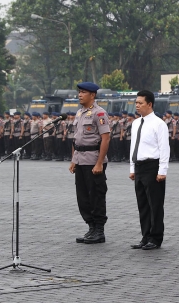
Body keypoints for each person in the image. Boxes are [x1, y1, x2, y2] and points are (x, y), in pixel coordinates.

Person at [69, 82, 111, 245]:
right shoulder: (79, 113)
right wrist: (73, 160)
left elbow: (105, 139)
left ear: (92, 95)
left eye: (83, 92)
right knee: (83, 197)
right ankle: (91, 227)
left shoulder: (99, 113)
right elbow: (75, 139)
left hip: (93, 160)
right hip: (80, 160)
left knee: (96, 196)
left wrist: (100, 163)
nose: (80, 95)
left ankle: (99, 230)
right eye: (79, 92)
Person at [129, 90, 170, 250]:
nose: (137, 105)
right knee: (143, 204)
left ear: (150, 104)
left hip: (153, 166)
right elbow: (134, 147)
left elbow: (164, 149)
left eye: (140, 103)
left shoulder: (159, 124)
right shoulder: (135, 123)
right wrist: (132, 167)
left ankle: (156, 237)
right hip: (139, 167)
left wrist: (162, 171)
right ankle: (145, 236)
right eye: (136, 103)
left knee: (155, 205)